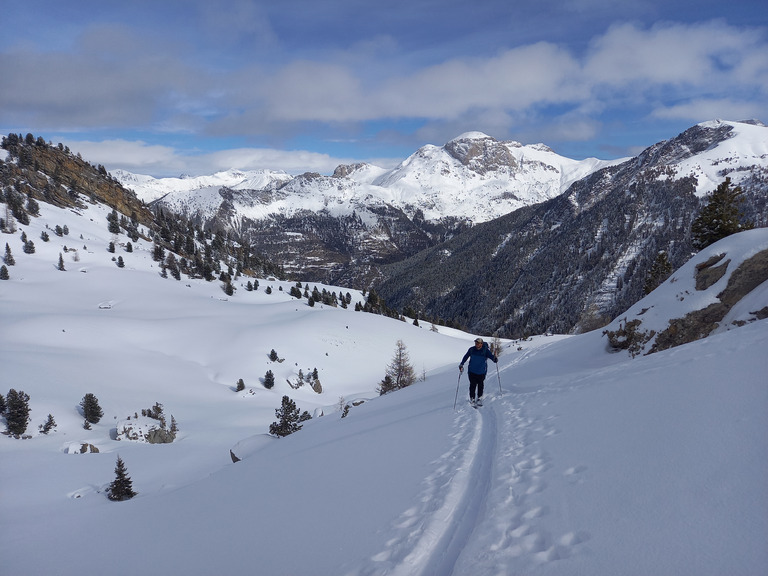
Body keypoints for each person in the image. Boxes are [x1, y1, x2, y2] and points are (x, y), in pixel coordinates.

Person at [459, 337, 497, 406]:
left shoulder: (485, 351)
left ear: (481, 344)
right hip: (472, 371)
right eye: (476, 343)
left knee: (480, 385)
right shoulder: (471, 349)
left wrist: (495, 359)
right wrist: (462, 364)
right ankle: (472, 398)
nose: (477, 344)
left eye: (478, 343)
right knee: (472, 385)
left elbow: (492, 357)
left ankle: (479, 398)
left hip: (481, 372)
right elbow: (466, 356)